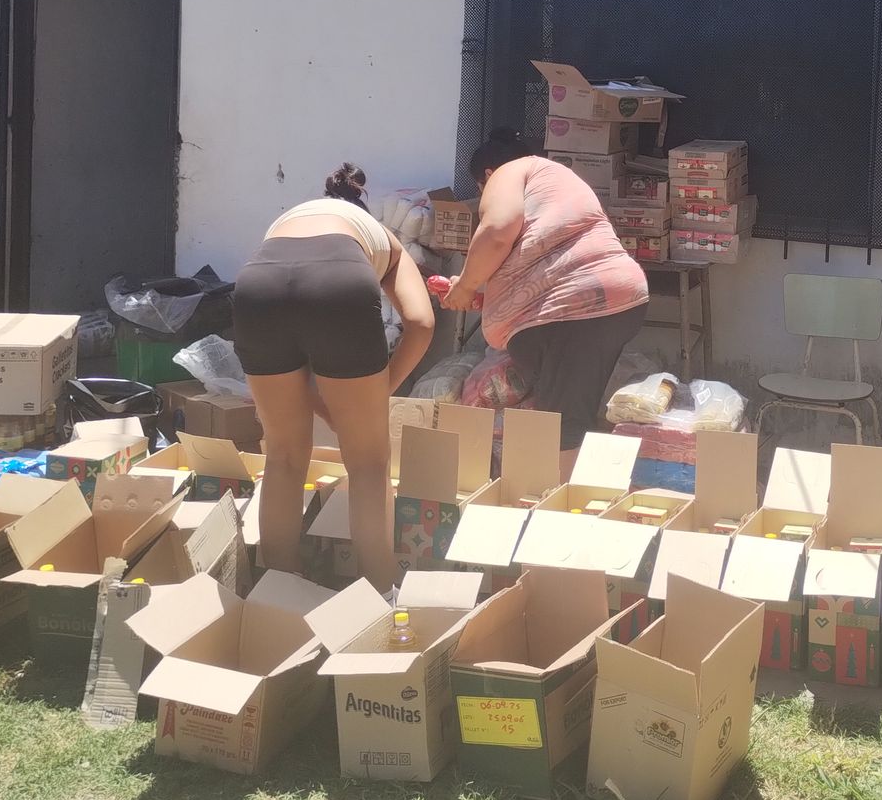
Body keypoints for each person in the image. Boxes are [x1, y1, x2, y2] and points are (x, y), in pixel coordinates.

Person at [233, 163, 433, 590]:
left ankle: (278, 591)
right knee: (367, 461)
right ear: (361, 210)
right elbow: (421, 322)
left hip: (257, 286)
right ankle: (378, 593)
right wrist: (380, 392)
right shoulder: (384, 240)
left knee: (284, 456)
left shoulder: (286, 224)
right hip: (339, 285)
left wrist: (327, 401)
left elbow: (297, 351)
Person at [440, 129, 650, 469]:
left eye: (481, 189)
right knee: (568, 410)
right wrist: (481, 290)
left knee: (564, 424)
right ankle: (565, 495)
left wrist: (465, 286)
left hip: (572, 309)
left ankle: (563, 513)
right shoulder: (554, 179)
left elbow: (496, 231)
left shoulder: (510, 172)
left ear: (488, 175)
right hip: (608, 299)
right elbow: (535, 256)